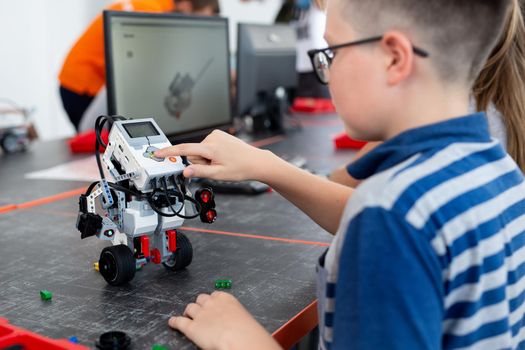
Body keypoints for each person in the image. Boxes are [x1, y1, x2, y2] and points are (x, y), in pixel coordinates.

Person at [156, 0, 525, 348]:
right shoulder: (500, 172)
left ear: (394, 58)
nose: (327, 72)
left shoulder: (388, 220)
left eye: (332, 51)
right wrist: (267, 165)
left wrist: (243, 340)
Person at [329, 0, 525, 187]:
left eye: (334, 51)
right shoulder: (490, 109)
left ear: (396, 57)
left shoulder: (452, 113)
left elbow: (348, 190)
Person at [58, 0, 220, 132]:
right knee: (94, 139)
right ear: (186, 6)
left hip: (95, 78)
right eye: (201, 17)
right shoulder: (150, 11)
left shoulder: (159, 6)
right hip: (81, 85)